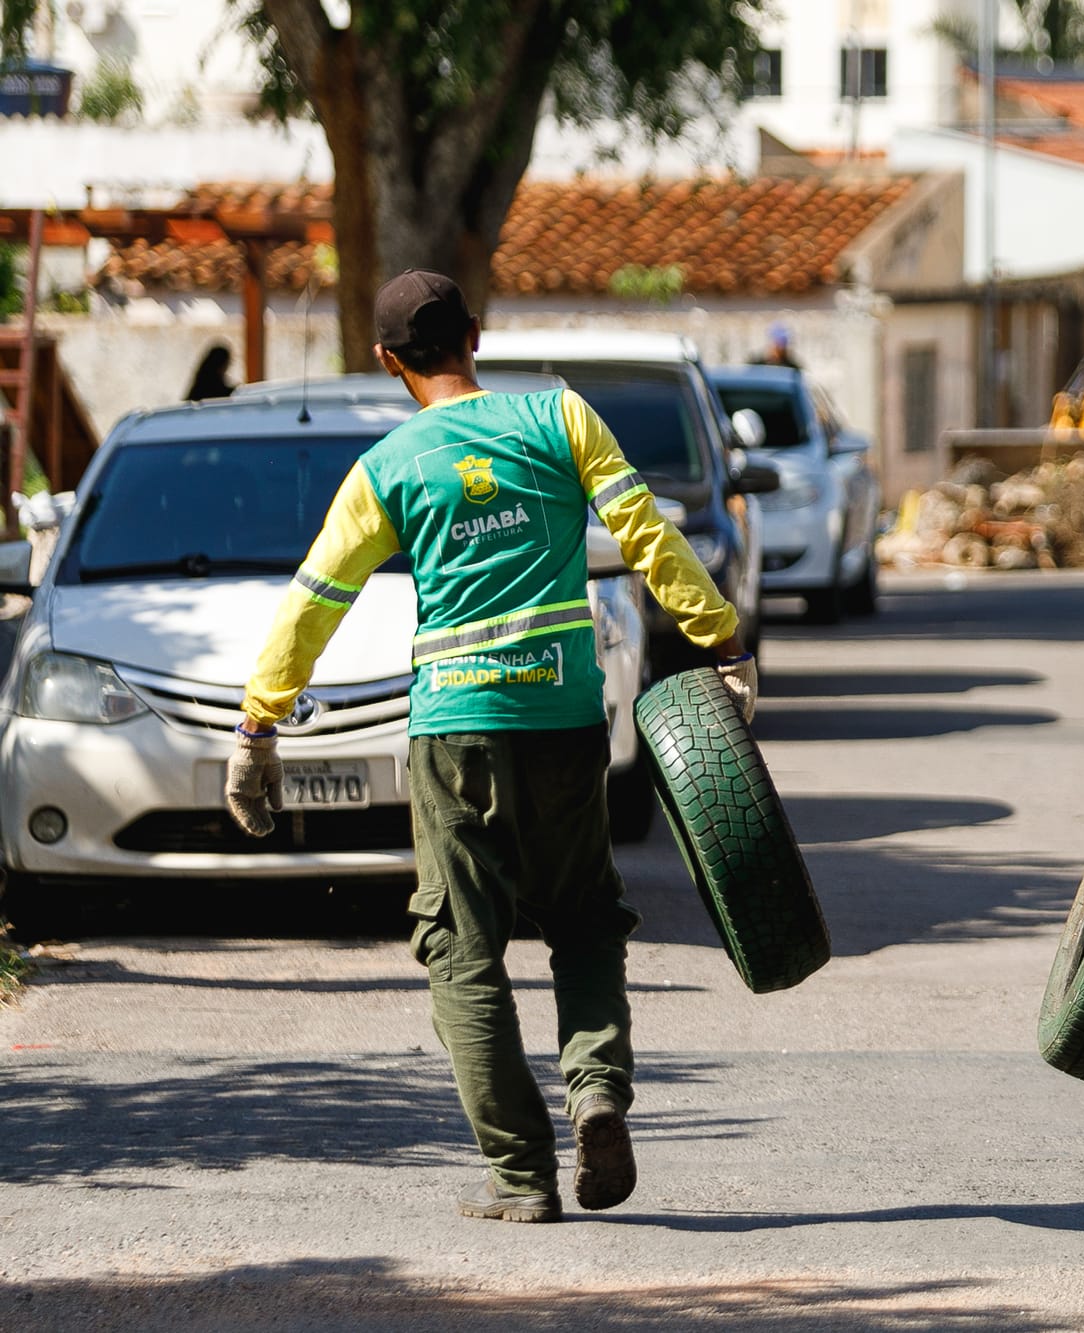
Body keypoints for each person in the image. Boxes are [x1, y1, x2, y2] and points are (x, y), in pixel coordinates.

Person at [226, 270, 758, 1224]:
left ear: (391, 363)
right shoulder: (561, 419)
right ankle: (596, 1088)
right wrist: (720, 638)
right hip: (561, 716)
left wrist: (261, 722)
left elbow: (315, 599)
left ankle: (521, 1176)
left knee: (461, 946)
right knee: (585, 917)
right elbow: (646, 532)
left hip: (452, 733)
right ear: (477, 333)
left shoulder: (387, 467)